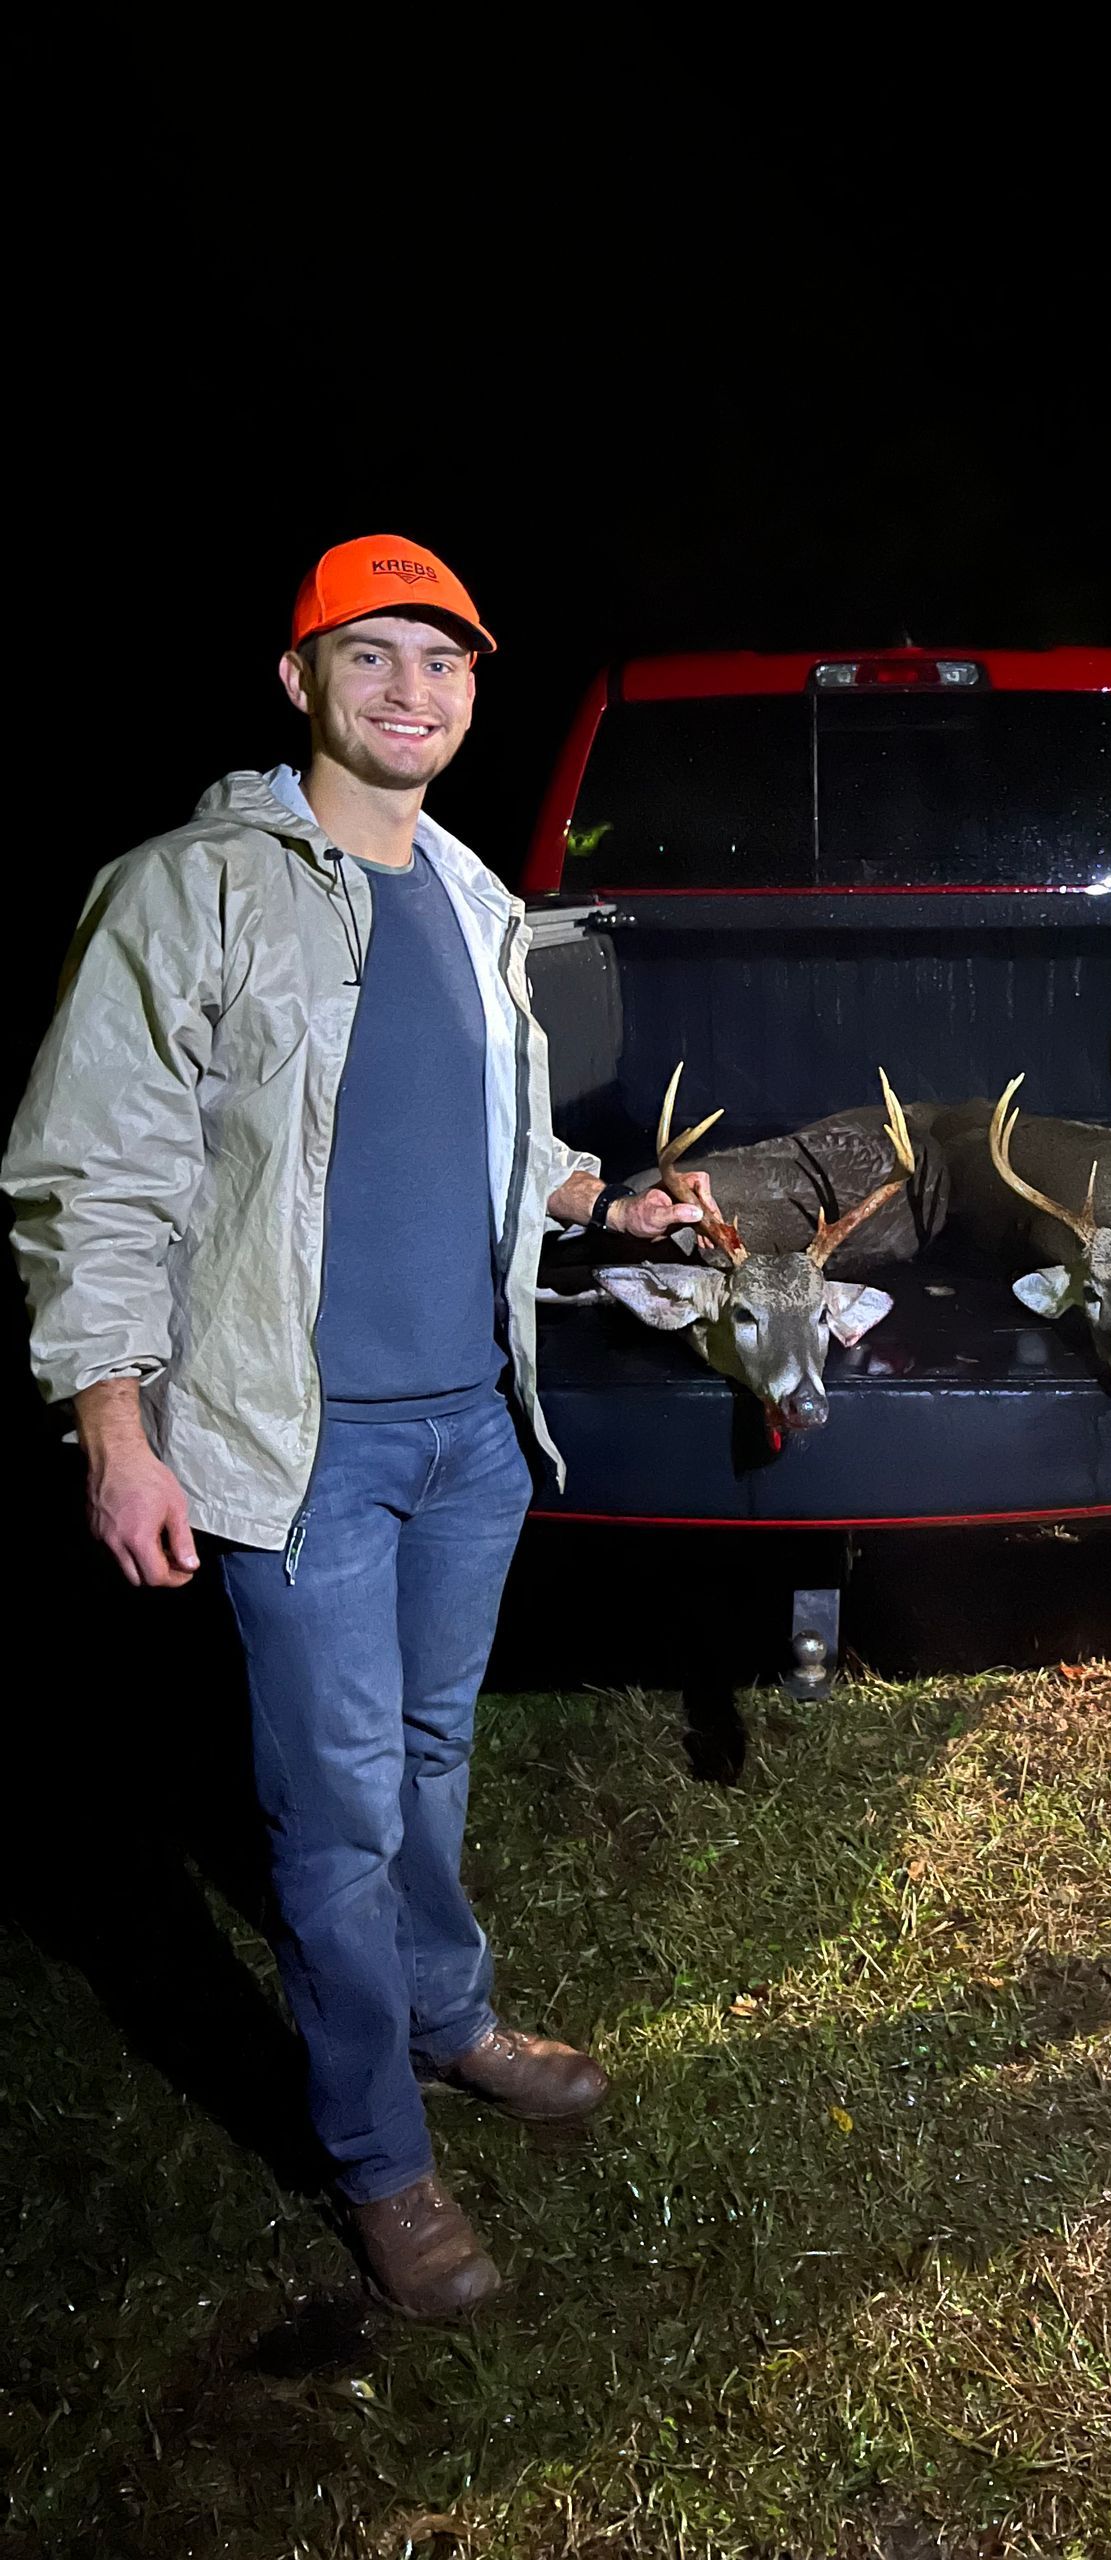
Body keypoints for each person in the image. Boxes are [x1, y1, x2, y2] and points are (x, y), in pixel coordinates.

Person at [4, 536, 709, 2318]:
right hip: (292, 1445)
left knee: (430, 1749)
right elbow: (94, 1176)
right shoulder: (187, 891)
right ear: (298, 679)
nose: (413, 690)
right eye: (373, 654)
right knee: (331, 1814)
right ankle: (379, 2158)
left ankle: (448, 2016)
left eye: (444, 661)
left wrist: (601, 1200)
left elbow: (488, 1131)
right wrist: (116, 1432)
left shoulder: (475, 897)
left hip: (475, 1428)